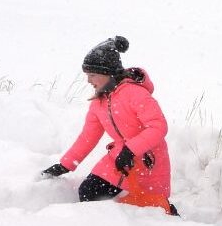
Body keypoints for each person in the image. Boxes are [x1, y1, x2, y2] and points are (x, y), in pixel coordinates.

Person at [41, 36, 176, 214]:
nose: (89, 81)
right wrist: (65, 164)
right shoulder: (99, 102)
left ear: (108, 73)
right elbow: (87, 137)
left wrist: (131, 150)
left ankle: (170, 217)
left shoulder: (135, 94)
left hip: (147, 159)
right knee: (88, 192)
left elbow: (158, 127)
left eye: (92, 75)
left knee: (149, 206)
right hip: (119, 160)